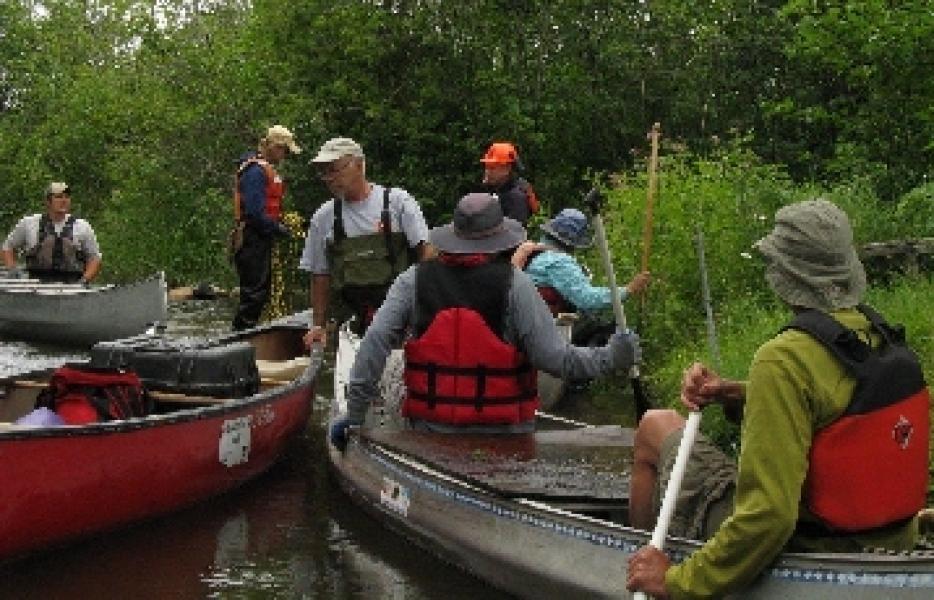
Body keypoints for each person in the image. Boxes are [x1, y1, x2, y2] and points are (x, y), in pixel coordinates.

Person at [626, 199, 929, 599]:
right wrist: (735, 394)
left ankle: (640, 566)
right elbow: (836, 417)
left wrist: (676, 582)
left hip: (806, 552)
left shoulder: (782, 358)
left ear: (784, 275)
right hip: (888, 546)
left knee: (655, 426)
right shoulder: (880, 340)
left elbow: (769, 518)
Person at [329, 192, 642, 448]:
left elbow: (374, 343)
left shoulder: (413, 280)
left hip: (430, 430)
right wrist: (612, 356)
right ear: (501, 241)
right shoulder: (516, 284)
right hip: (505, 436)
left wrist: (355, 414)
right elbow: (557, 360)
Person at [301, 137, 431, 347]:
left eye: (334, 169)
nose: (328, 178)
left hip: (403, 320)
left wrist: (424, 312)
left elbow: (427, 254)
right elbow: (320, 275)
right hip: (353, 322)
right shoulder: (323, 218)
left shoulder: (398, 202)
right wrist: (318, 326)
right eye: (324, 172)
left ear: (360, 165)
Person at [511, 208, 650, 318]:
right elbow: (586, 299)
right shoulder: (558, 261)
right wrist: (628, 290)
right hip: (544, 327)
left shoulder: (534, 250)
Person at [231, 125, 301, 331]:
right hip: (252, 238)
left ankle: (248, 334)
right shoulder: (255, 172)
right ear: (272, 146)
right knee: (254, 294)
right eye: (284, 150)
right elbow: (254, 212)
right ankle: (240, 337)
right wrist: (277, 229)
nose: (285, 155)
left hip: (260, 236)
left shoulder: (263, 169)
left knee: (260, 291)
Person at [2, 182, 102, 284]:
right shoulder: (29, 223)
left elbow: (94, 258)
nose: (64, 201)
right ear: (48, 201)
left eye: (67, 197)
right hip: (34, 286)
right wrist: (12, 270)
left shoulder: (82, 226)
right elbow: (8, 247)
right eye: (58, 197)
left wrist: (84, 280)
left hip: (72, 286)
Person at [480, 141, 539, 226]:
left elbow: (515, 234)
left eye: (492, 168)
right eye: (486, 167)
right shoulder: (500, 188)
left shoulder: (516, 198)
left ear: (507, 169)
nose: (487, 172)